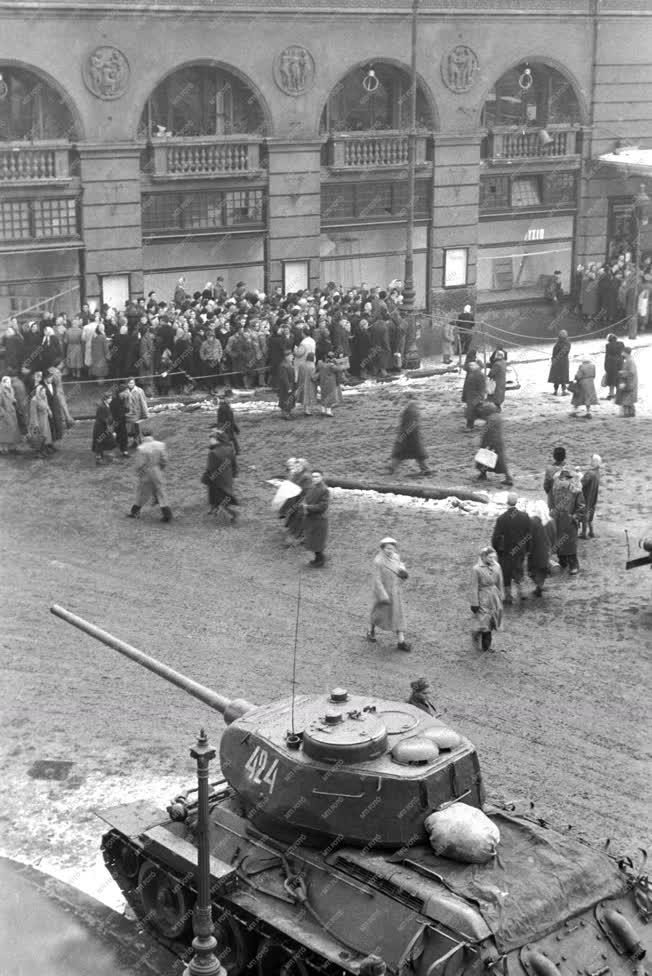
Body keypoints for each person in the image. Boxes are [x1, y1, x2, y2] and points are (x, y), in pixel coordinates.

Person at [366, 538, 411, 651]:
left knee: (398, 615)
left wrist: (403, 572)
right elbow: (377, 580)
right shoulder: (378, 561)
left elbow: (400, 566)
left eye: (391, 548)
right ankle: (370, 631)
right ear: (382, 548)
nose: (389, 550)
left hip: (395, 592)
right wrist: (383, 595)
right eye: (387, 548)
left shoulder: (396, 557)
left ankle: (401, 641)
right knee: (378, 615)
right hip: (384, 593)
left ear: (395, 548)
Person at [491, 492, 532, 603]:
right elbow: (529, 535)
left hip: (505, 553)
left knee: (506, 574)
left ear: (507, 502)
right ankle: (523, 592)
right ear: (516, 502)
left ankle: (508, 597)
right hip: (519, 551)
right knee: (519, 571)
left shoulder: (501, 519)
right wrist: (527, 549)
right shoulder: (525, 517)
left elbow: (495, 538)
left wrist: (497, 549)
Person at [128, 427, 172, 523]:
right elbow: (164, 459)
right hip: (157, 470)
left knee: (142, 493)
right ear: (152, 434)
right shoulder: (160, 445)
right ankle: (167, 514)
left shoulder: (141, 448)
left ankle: (135, 512)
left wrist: (139, 473)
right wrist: (160, 469)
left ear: (142, 435)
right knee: (161, 492)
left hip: (146, 472)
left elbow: (140, 464)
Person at [550, 467, 585, 575]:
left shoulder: (576, 492)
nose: (561, 482)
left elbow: (582, 507)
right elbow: (551, 504)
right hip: (558, 523)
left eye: (563, 479)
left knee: (570, 546)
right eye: (560, 479)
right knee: (559, 544)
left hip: (570, 524)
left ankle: (574, 565)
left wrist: (574, 517)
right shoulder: (555, 490)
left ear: (569, 480)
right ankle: (563, 561)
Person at [388, 393, 432, 475]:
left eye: (404, 398)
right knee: (415, 454)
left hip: (410, 436)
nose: (402, 400)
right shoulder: (411, 407)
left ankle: (392, 467)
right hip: (411, 436)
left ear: (408, 398)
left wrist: (403, 435)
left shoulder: (411, 409)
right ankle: (392, 467)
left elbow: (412, 424)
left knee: (403, 452)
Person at [470, 546, 504, 652]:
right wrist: (474, 603)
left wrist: (501, 594)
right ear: (483, 557)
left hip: (494, 598)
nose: (492, 559)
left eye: (493, 557)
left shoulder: (497, 566)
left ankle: (486, 646)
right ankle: (477, 635)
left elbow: (500, 581)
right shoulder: (476, 569)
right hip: (483, 598)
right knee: (484, 622)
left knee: (492, 620)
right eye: (489, 557)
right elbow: (474, 587)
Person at [203, 430, 239, 523]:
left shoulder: (213, 452)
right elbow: (234, 463)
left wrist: (206, 478)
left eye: (211, 439)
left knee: (218, 497)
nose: (210, 441)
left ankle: (231, 515)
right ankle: (215, 510)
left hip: (216, 479)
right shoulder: (229, 448)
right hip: (227, 478)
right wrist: (234, 474)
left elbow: (210, 468)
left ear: (217, 439)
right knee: (224, 496)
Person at [475, 402, 513, 487]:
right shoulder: (497, 417)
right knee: (491, 460)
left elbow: (487, 432)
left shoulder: (491, 419)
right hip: (497, 442)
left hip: (493, 443)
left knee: (486, 460)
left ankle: (508, 478)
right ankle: (483, 474)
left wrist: (484, 444)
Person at [526, 500, 556, 598]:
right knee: (543, 570)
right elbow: (554, 536)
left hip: (535, 552)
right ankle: (540, 586)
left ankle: (538, 586)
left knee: (532, 570)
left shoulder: (533, 522)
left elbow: (529, 538)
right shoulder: (551, 521)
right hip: (547, 551)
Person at [301, 469, 329, 567]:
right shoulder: (312, 487)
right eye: (313, 476)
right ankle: (318, 559)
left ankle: (320, 561)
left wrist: (307, 507)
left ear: (321, 477)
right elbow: (307, 498)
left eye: (317, 476)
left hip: (319, 520)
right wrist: (304, 504)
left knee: (317, 542)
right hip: (311, 519)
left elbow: (322, 506)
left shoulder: (324, 490)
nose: (314, 478)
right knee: (313, 541)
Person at [92, 390, 117, 464]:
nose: (111, 399)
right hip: (100, 428)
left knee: (103, 442)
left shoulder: (106, 406)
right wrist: (111, 429)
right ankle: (99, 459)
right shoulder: (102, 407)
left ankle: (103, 457)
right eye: (110, 398)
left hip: (103, 427)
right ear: (106, 399)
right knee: (100, 442)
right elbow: (104, 419)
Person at [28, 384, 53, 457]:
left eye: (45, 392)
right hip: (38, 421)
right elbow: (33, 413)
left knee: (45, 435)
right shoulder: (34, 400)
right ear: (39, 392)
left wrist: (49, 411)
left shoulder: (44, 397)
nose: (44, 393)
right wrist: (35, 424)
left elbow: (46, 405)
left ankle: (43, 450)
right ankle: (38, 452)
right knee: (38, 436)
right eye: (43, 392)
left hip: (45, 420)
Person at [580, 454, 601, 539]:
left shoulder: (590, 473)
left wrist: (579, 474)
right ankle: (591, 532)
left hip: (586, 496)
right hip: (593, 497)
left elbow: (581, 483)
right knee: (590, 515)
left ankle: (584, 534)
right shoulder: (597, 472)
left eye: (592, 460)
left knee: (584, 514)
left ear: (595, 462)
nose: (590, 461)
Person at [125, 377, 149, 447]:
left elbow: (143, 402)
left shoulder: (139, 391)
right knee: (126, 427)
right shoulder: (125, 391)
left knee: (135, 427)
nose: (130, 384)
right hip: (127, 414)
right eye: (129, 383)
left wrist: (145, 414)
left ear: (134, 383)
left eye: (132, 383)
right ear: (127, 384)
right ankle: (130, 441)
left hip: (136, 413)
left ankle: (137, 441)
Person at [462, 360, 486, 430]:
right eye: (471, 365)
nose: (471, 366)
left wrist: (480, 397)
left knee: (473, 411)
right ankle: (470, 426)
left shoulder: (479, 375)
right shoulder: (472, 373)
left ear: (478, 366)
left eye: (473, 365)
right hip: (471, 396)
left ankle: (469, 427)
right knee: (472, 411)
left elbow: (482, 388)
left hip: (475, 397)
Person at [615, 347, 638, 417]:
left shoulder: (630, 361)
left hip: (629, 382)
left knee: (626, 398)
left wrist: (622, 373)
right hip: (629, 381)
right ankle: (631, 413)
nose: (622, 353)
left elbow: (631, 372)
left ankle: (626, 413)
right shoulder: (628, 360)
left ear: (625, 353)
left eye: (623, 352)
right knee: (628, 398)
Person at [0, 376, 20, 454]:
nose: (9, 384)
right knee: (4, 432)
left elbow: (12, 400)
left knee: (12, 431)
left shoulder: (11, 390)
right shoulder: (1, 392)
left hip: (12, 413)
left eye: (9, 382)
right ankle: (2, 449)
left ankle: (11, 448)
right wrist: (3, 414)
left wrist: (14, 400)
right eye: (7, 382)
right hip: (5, 415)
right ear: (3, 382)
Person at [216, 389, 240, 455]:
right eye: (229, 398)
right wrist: (224, 430)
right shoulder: (223, 407)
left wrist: (235, 428)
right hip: (225, 428)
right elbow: (223, 421)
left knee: (232, 440)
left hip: (228, 428)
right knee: (228, 441)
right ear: (226, 398)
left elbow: (231, 419)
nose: (231, 399)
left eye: (231, 397)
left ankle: (237, 452)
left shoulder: (227, 406)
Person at [547, 329, 571, 395]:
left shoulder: (559, 343)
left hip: (559, 362)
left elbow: (559, 352)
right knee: (561, 377)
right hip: (562, 362)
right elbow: (564, 352)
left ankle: (557, 391)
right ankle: (561, 391)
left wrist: (554, 358)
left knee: (557, 377)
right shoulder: (566, 343)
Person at [603, 334, 624, 401]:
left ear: (609, 339)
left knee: (611, 379)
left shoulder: (608, 345)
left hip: (611, 364)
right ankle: (619, 394)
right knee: (619, 379)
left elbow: (607, 356)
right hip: (620, 363)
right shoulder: (621, 344)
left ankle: (611, 394)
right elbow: (623, 354)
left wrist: (605, 366)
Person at [277, 348, 296, 420]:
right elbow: (284, 378)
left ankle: (287, 412)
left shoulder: (289, 364)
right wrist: (288, 387)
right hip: (286, 386)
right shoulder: (283, 366)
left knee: (290, 400)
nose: (292, 357)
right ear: (286, 357)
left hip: (290, 384)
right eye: (291, 356)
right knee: (285, 399)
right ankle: (285, 413)